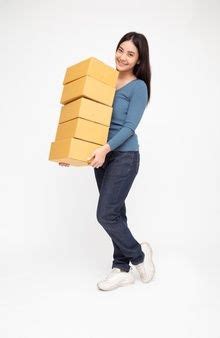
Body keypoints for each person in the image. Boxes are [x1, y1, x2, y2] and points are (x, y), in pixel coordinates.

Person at [59, 31, 155, 291]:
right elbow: (90, 119)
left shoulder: (138, 87)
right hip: (102, 155)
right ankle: (121, 268)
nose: (122, 57)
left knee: (106, 214)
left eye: (130, 54)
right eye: (120, 50)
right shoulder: (103, 80)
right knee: (116, 213)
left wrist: (105, 149)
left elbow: (129, 127)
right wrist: (73, 151)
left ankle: (139, 256)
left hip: (124, 156)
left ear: (138, 60)